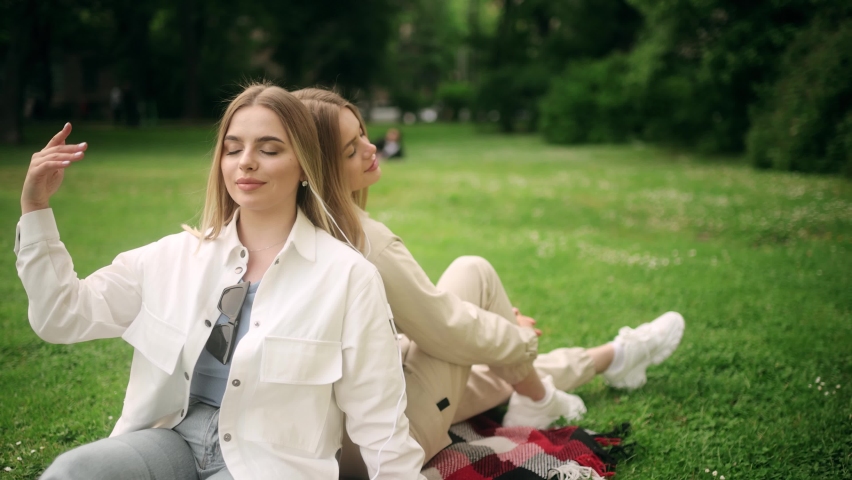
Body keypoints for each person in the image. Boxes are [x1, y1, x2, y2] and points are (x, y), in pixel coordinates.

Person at [16, 83, 427, 480]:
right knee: (75, 471)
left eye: (269, 149)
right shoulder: (174, 257)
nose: (246, 161)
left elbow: (381, 421)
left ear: (304, 164)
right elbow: (60, 316)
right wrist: (35, 207)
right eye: (233, 149)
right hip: (171, 440)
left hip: (269, 464)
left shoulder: (348, 278)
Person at [293, 88, 686, 474]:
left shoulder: (293, 229)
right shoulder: (363, 240)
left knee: (487, 369)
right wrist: (516, 335)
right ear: (319, 168)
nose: (370, 147)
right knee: (474, 276)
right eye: (351, 149)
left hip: (352, 431)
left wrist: (493, 337)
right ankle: (544, 394)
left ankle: (613, 356)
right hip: (379, 445)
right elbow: (448, 329)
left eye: (363, 133)